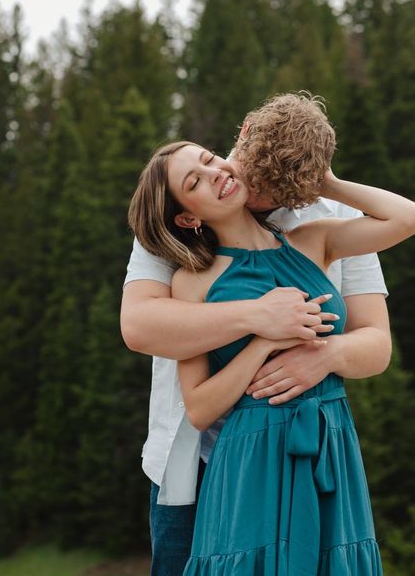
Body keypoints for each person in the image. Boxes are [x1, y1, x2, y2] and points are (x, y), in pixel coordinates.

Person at [127, 121, 415, 575]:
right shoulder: (186, 263)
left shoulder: (319, 230)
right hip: (217, 459)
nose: (216, 173)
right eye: (195, 178)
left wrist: (325, 180)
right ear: (242, 136)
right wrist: (260, 326)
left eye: (207, 161)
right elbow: (141, 330)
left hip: (325, 440)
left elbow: (405, 226)